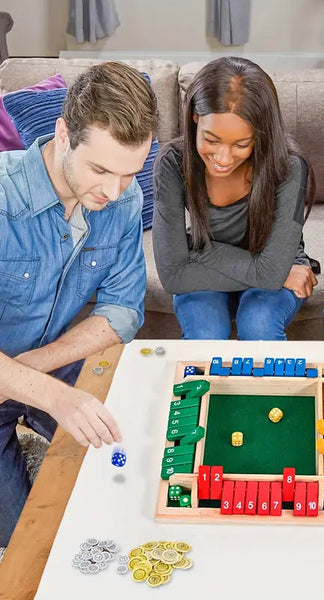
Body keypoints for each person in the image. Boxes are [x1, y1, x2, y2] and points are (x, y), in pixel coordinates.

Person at [0, 61, 158, 546]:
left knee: (140, 472)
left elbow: (123, 310)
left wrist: (35, 371)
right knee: (30, 540)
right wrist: (50, 396)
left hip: (50, 367)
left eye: (130, 174)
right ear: (64, 134)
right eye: (101, 169)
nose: (113, 192)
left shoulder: (122, 201)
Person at [152, 57, 316, 341]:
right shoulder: (172, 162)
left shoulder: (289, 166)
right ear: (195, 119)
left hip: (213, 263)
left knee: (259, 323)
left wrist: (199, 253)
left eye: (242, 144)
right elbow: (172, 276)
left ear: (261, 134)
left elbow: (270, 274)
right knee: (206, 332)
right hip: (237, 271)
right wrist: (268, 273)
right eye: (211, 140)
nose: (224, 159)